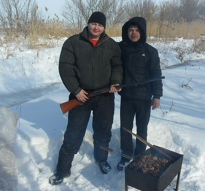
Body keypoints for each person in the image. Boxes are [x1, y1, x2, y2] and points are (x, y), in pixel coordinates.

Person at [49, 11, 123, 185]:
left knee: (103, 131)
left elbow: (118, 66)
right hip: (80, 96)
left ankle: (101, 159)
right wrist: (76, 90)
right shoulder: (73, 42)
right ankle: (62, 169)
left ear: (104, 27)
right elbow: (65, 68)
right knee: (73, 134)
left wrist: (116, 82)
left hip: (105, 96)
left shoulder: (111, 45)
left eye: (100, 25)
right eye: (93, 23)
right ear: (88, 24)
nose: (96, 27)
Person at [117, 16, 163, 171]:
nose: (134, 33)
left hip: (144, 98)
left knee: (142, 129)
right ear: (126, 32)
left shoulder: (151, 52)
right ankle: (126, 154)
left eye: (137, 30)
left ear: (142, 32)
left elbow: (156, 74)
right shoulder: (121, 49)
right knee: (126, 128)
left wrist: (157, 95)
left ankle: (139, 155)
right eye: (131, 30)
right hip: (127, 98)